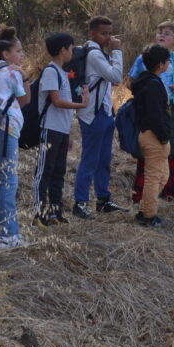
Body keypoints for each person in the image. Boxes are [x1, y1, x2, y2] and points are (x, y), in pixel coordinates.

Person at [127, 21, 174, 203]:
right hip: (149, 112)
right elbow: (130, 82)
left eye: (167, 33)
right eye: (159, 32)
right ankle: (142, 196)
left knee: (173, 152)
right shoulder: (143, 58)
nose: (162, 36)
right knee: (149, 153)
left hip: (172, 110)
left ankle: (171, 193)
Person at [72, 16, 127, 220]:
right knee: (90, 158)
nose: (108, 37)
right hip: (92, 114)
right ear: (92, 33)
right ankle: (80, 202)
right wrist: (117, 51)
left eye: (110, 33)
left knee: (103, 158)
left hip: (104, 111)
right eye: (104, 33)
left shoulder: (98, 53)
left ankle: (103, 199)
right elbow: (116, 77)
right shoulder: (94, 54)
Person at [33, 32, 87, 228]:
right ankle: (38, 214)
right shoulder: (50, 71)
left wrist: (69, 133)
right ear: (63, 50)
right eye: (71, 48)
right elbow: (56, 101)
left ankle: (55, 212)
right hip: (49, 128)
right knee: (44, 171)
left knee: (58, 171)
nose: (72, 52)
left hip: (61, 130)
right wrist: (80, 105)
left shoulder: (62, 72)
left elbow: (63, 107)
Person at [0, 26, 30, 250]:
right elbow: (24, 101)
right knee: (8, 181)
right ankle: (8, 235)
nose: (22, 55)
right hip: (8, 129)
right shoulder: (11, 72)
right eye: (19, 51)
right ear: (6, 54)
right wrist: (26, 78)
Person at [131, 45, 171, 227]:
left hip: (150, 134)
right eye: (167, 61)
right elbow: (156, 115)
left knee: (162, 176)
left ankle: (144, 209)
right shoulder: (153, 84)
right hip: (154, 137)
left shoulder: (146, 81)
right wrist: (163, 137)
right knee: (154, 178)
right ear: (161, 64)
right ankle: (148, 216)